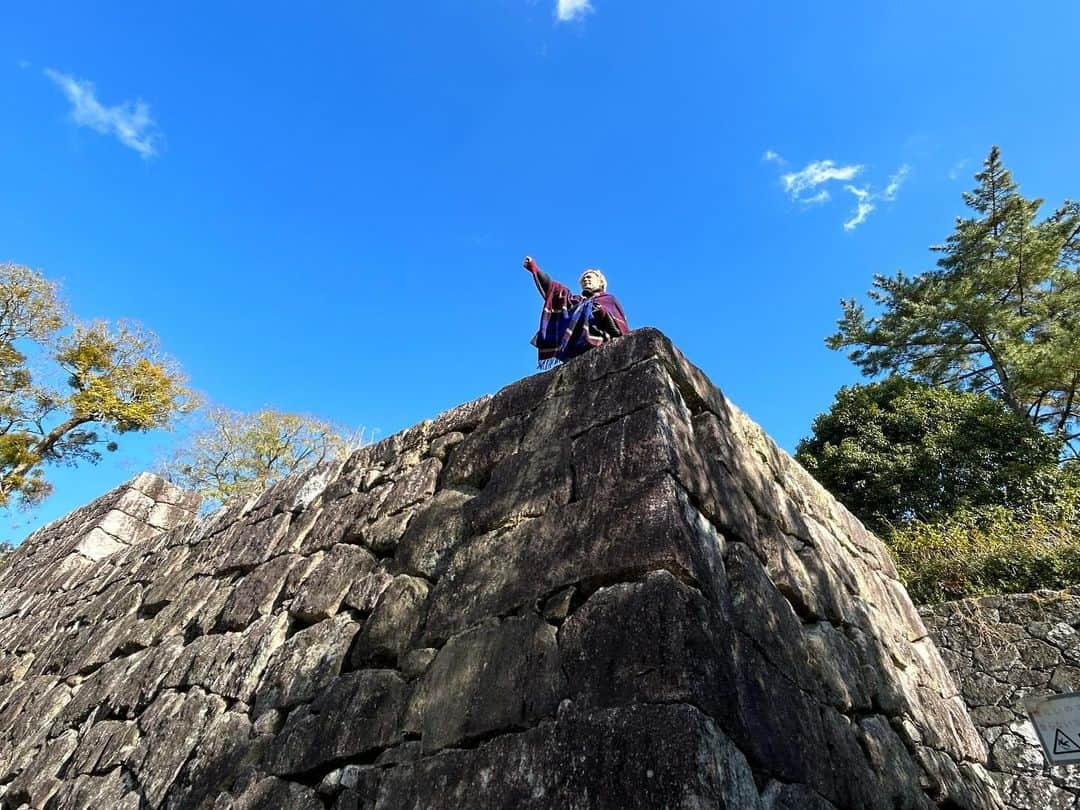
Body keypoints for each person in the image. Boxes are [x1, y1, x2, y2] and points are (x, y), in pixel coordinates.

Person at [523, 255, 630, 367]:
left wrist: (601, 312)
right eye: (583, 279)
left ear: (600, 283)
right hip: (574, 348)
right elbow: (554, 290)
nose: (586, 280)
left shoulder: (609, 299)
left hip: (598, 342)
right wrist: (534, 268)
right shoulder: (577, 302)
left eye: (589, 277)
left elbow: (619, 330)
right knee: (571, 308)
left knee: (589, 309)